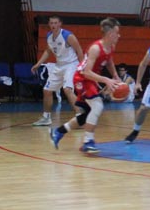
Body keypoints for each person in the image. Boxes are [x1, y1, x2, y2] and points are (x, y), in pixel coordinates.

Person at [49, 17, 122, 154]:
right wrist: (106, 80)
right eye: (117, 33)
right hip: (82, 79)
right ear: (110, 33)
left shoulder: (111, 47)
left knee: (87, 115)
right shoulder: (96, 48)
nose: (119, 36)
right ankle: (88, 142)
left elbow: (109, 61)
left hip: (91, 79)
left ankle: (59, 132)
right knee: (97, 106)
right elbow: (86, 72)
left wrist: (115, 76)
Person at [31, 15, 84, 126]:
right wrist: (38, 64)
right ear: (49, 24)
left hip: (71, 64)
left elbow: (79, 51)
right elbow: (48, 51)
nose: (53, 25)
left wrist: (82, 68)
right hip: (59, 65)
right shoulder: (49, 36)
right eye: (51, 23)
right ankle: (46, 118)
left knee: (67, 89)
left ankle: (80, 116)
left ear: (60, 24)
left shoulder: (68, 35)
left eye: (55, 23)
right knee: (47, 90)